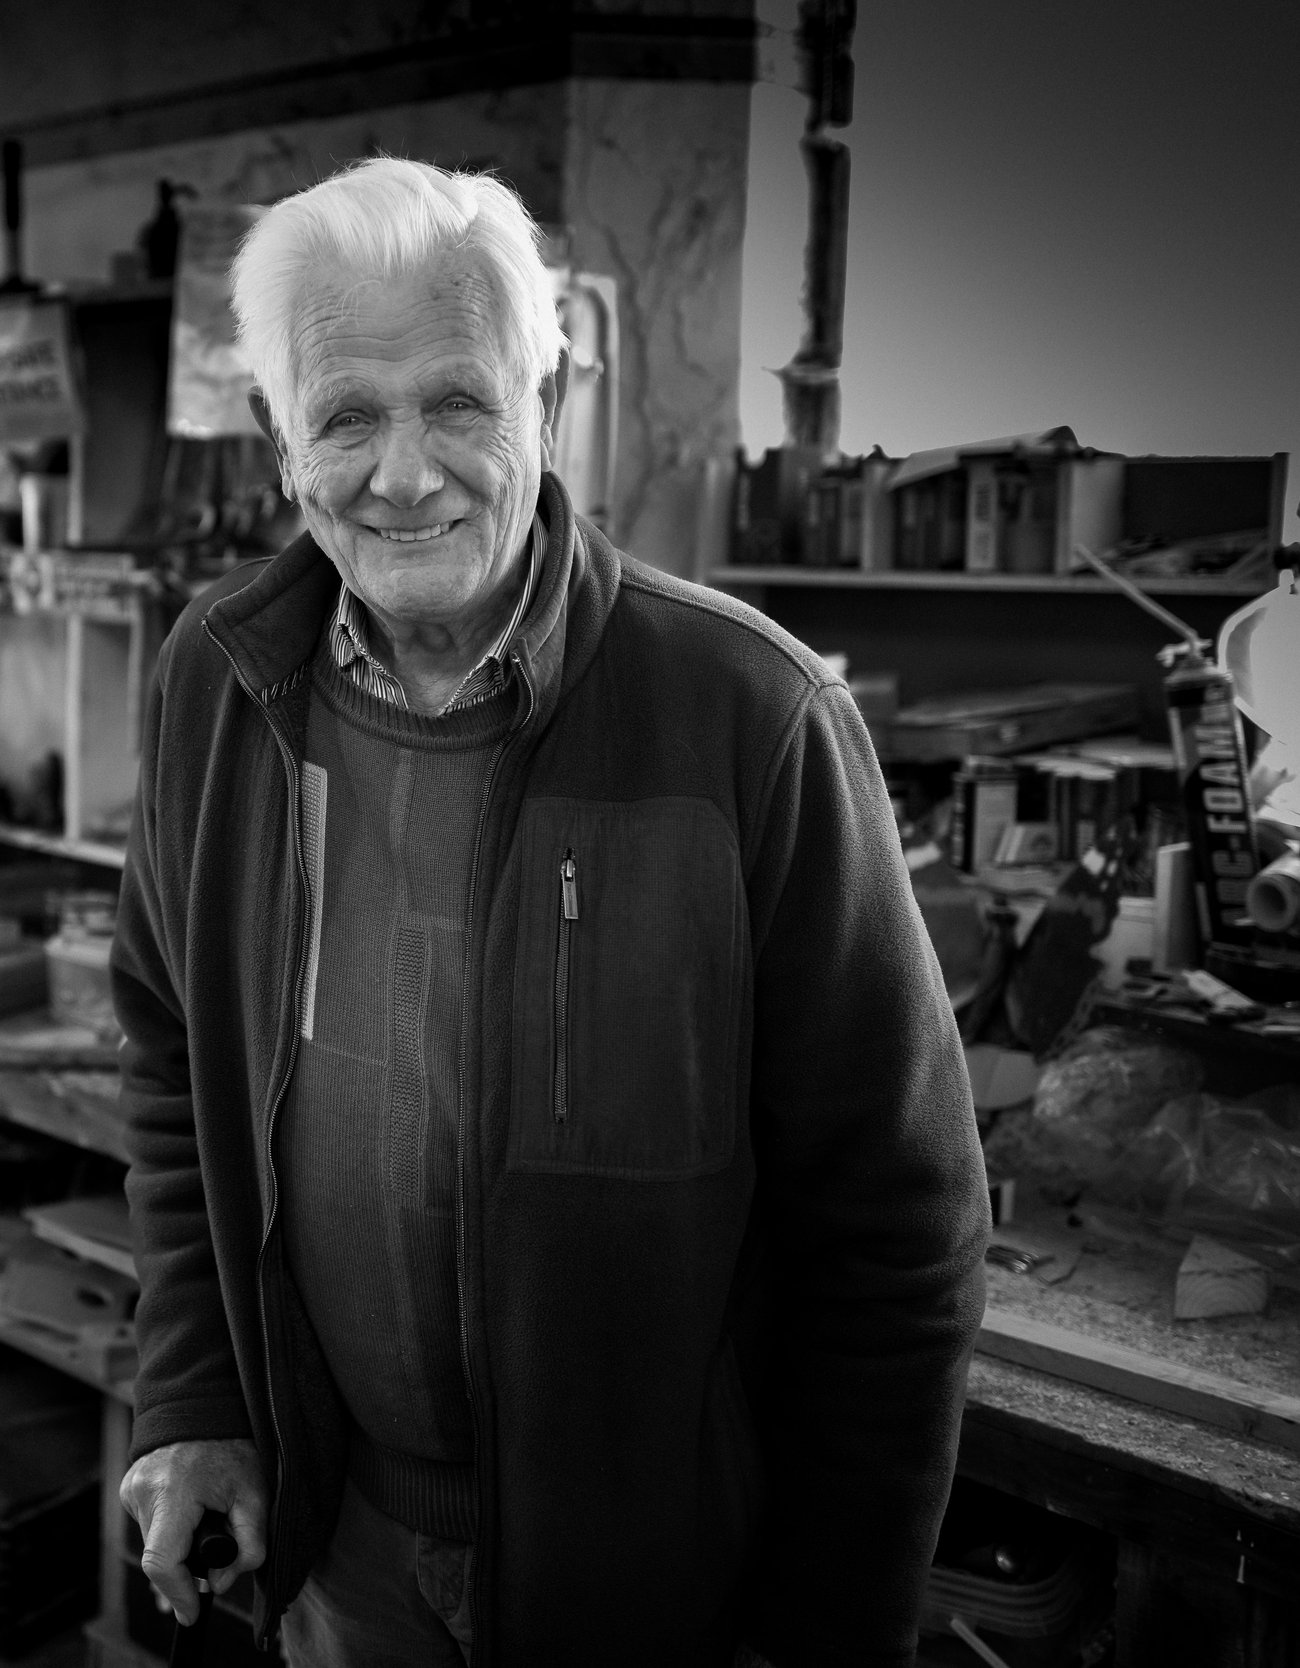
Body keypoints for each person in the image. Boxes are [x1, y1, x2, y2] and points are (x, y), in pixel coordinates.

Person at [111, 157, 987, 1667]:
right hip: (338, 1557)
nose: (403, 474)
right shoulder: (221, 681)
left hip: (663, 1601)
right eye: (346, 416)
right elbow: (165, 1059)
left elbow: (899, 1232)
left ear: (550, 395)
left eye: (456, 401)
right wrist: (194, 1397)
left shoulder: (750, 719)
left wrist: (824, 1632)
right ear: (279, 440)